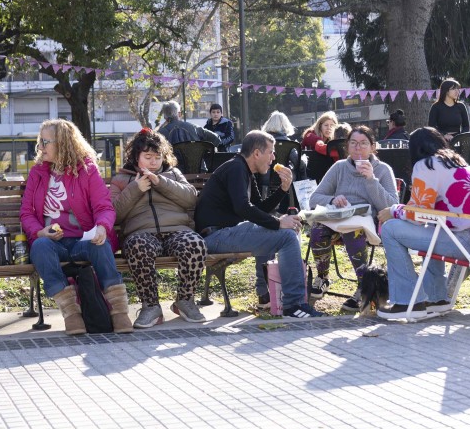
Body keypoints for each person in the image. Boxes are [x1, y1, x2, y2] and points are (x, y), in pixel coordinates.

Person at [20, 119, 132, 335]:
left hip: (84, 240)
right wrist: (39, 232)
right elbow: (26, 213)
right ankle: (71, 313)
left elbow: (104, 207)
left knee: (100, 244)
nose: (40, 147)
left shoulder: (87, 170)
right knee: (40, 247)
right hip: (53, 243)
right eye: (39, 142)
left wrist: (102, 227)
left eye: (45, 142)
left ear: (63, 143)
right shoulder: (37, 173)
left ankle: (119, 311)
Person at [194, 130, 322, 318]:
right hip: (215, 236)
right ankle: (294, 304)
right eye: (270, 152)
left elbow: (260, 208)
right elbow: (242, 207)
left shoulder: (244, 170)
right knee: (286, 236)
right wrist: (278, 223)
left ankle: (282, 299)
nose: (273, 158)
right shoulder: (236, 168)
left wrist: (283, 189)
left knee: (286, 232)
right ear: (256, 153)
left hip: (225, 234)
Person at [376, 127, 470, 319]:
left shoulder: (426, 165)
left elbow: (417, 214)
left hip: (467, 242)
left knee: (390, 229)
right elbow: (426, 214)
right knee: (431, 227)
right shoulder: (457, 162)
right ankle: (436, 299)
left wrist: (393, 211)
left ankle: (408, 302)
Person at [109, 129, 207, 328]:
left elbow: (191, 198)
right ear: (136, 157)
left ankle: (185, 300)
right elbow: (113, 214)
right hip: (140, 233)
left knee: (195, 243)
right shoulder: (122, 179)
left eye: (157, 157)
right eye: (148, 157)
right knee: (138, 246)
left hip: (177, 229)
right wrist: (135, 189)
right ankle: (151, 306)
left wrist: (162, 183)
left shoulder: (173, 173)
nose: (153, 162)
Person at [307, 126, 399, 309]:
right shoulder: (339, 167)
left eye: (363, 143)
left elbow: (391, 205)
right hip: (338, 218)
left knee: (352, 232)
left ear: (373, 147)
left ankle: (364, 286)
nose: (358, 148)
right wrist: (332, 199)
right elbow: (314, 198)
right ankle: (323, 277)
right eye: (353, 143)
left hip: (367, 221)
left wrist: (371, 180)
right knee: (317, 230)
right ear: (347, 147)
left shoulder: (382, 169)